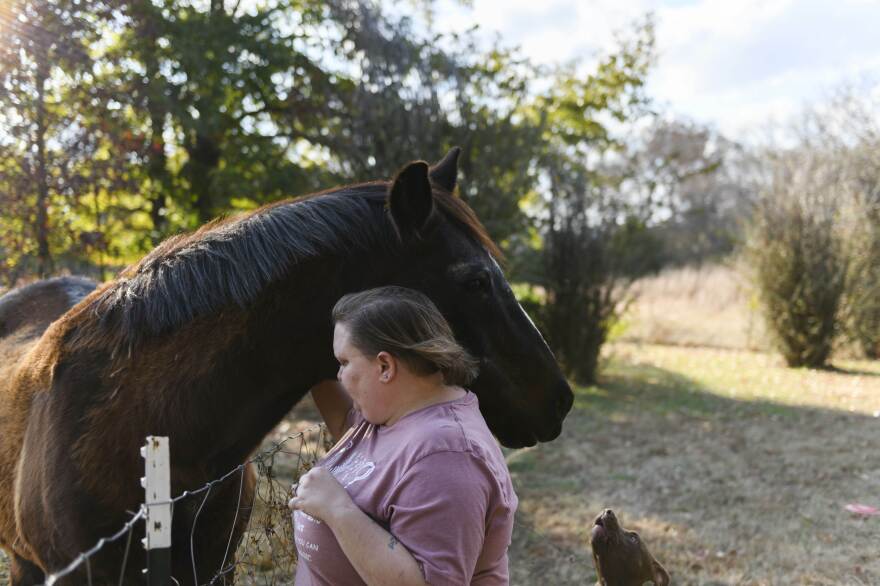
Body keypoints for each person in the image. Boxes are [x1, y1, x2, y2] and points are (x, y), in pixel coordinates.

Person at [288, 286, 518, 586]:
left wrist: (337, 509)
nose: (339, 376)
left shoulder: (446, 455)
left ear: (385, 366)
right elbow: (351, 428)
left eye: (344, 362)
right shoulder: (394, 414)